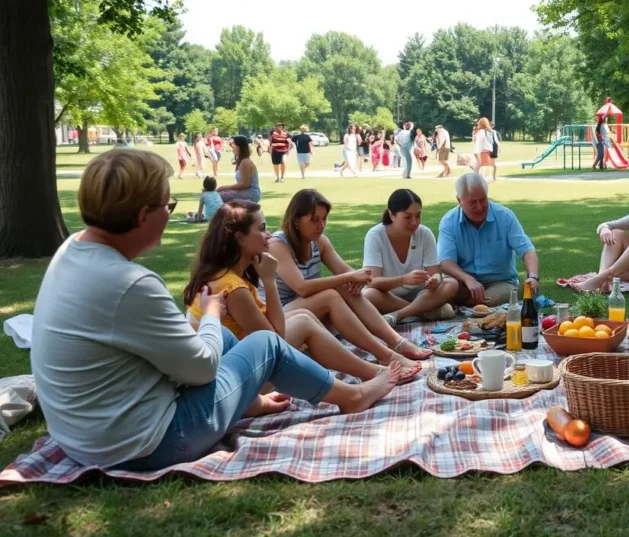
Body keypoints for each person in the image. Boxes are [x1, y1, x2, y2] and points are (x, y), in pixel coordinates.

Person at [30, 149, 403, 472]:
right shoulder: (130, 283)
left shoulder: (71, 254)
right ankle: (352, 396)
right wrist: (210, 313)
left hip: (85, 437)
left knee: (225, 337)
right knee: (265, 345)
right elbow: (201, 368)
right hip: (144, 443)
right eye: (167, 206)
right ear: (143, 215)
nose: (169, 212)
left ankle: (251, 402)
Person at [184, 201, 419, 382]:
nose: (267, 234)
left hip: (241, 365)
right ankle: (375, 370)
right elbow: (272, 341)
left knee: (310, 314)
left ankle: (383, 357)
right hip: (238, 381)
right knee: (310, 317)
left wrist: (356, 278)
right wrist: (269, 280)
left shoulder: (229, 277)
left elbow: (270, 335)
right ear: (239, 238)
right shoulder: (233, 287)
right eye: (262, 228)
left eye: (324, 219)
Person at [267, 189, 432, 367]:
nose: (320, 225)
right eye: (314, 219)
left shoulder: (319, 242)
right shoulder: (278, 245)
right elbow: (302, 287)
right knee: (331, 294)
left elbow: (346, 271)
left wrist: (358, 279)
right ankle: (386, 353)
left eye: (324, 219)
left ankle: (396, 342)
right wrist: (350, 277)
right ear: (296, 220)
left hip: (308, 311)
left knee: (344, 287)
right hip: (280, 316)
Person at [438, 172, 539, 307]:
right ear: (459, 200)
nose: (479, 207)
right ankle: (459, 306)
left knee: (487, 301)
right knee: (441, 291)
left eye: (483, 199)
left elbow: (527, 250)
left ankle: (459, 307)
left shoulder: (505, 216)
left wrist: (533, 276)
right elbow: (445, 262)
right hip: (463, 282)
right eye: (473, 202)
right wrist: (468, 279)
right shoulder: (449, 221)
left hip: (501, 282)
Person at [362, 189, 459, 325]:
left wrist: (435, 281)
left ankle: (398, 315)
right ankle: (423, 312)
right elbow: (372, 281)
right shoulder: (375, 236)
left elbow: (435, 273)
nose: (414, 222)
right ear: (391, 215)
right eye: (407, 217)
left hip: (419, 294)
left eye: (418, 216)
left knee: (451, 284)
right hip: (388, 295)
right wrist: (404, 280)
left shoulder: (424, 233)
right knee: (368, 295)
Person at [216, 136, 261, 203]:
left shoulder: (246, 162)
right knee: (217, 195)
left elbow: (244, 184)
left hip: (251, 193)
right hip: (245, 191)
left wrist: (223, 188)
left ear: (240, 146)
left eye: (234, 144)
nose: (231, 146)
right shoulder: (241, 161)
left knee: (220, 196)